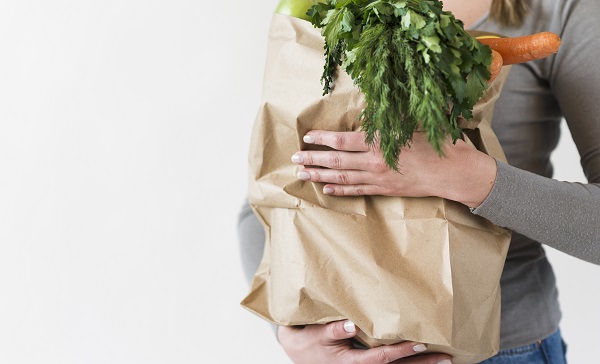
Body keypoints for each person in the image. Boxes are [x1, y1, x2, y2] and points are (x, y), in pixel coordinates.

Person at [238, 0, 600, 362]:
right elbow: (269, 200)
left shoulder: (562, 8)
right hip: (348, 352)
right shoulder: (327, 11)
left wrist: (466, 176)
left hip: (505, 351)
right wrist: (291, 337)